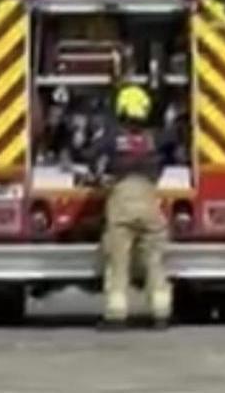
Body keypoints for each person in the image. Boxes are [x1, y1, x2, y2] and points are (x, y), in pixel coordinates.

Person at [95, 84, 172, 331]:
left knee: (118, 260)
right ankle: (161, 312)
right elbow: (173, 148)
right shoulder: (155, 137)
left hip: (121, 201)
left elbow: (90, 155)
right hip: (150, 200)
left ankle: (116, 315)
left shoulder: (111, 136)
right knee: (154, 260)